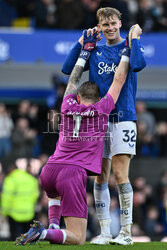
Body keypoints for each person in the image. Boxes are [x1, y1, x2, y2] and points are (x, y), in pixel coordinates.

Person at [15, 25, 135, 246]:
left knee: (54, 194)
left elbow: (72, 79)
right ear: (98, 98)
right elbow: (118, 80)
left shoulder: (67, 105)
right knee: (78, 238)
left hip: (49, 170)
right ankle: (42, 233)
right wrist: (126, 50)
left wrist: (84, 52)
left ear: (78, 97)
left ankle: (52, 224)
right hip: (72, 173)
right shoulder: (103, 108)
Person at [61, 7, 146, 245]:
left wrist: (135, 38)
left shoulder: (127, 46)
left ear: (120, 23)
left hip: (124, 117)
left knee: (120, 175)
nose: (109, 28)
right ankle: (106, 233)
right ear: (99, 26)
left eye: (113, 24)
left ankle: (127, 233)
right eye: (104, 25)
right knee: (99, 177)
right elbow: (68, 69)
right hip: (98, 120)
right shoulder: (96, 50)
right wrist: (80, 42)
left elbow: (138, 65)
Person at [1, 162, 39, 241]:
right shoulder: (31, 179)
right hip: (28, 213)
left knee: (15, 239)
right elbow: (36, 195)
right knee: (27, 238)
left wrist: (4, 212)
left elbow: (6, 197)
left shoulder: (10, 179)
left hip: (14, 214)